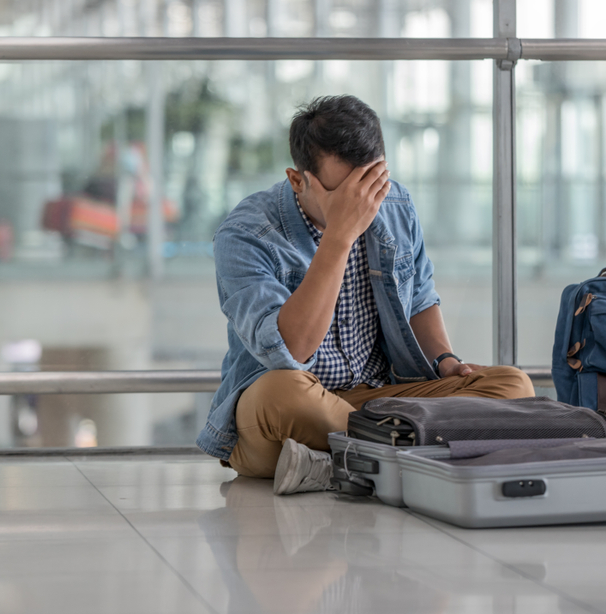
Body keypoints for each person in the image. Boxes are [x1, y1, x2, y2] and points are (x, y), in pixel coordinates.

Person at [197, 94, 534, 495]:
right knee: (282, 393)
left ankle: (340, 463)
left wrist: (444, 359)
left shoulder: (395, 203)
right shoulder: (245, 234)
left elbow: (420, 297)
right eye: (346, 193)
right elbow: (293, 349)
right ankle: (413, 457)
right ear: (297, 180)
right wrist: (339, 236)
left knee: (512, 386)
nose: (365, 203)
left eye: (373, 183)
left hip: (380, 401)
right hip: (296, 408)